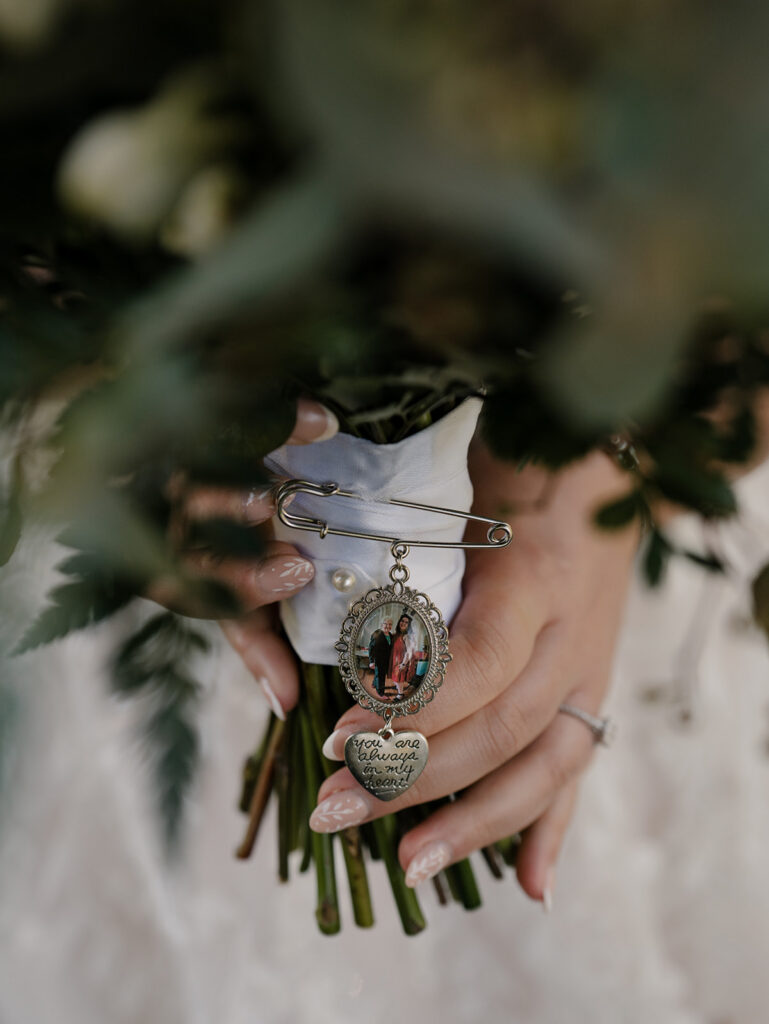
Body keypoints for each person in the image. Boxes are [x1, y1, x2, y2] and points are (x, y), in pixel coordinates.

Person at [389, 613, 414, 698]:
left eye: (406, 622)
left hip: (401, 660)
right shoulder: (396, 635)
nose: (403, 623)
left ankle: (400, 694)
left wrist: (404, 663)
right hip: (394, 660)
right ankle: (399, 688)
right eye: (402, 621)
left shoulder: (406, 636)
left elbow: (409, 651)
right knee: (395, 678)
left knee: (399, 678)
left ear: (408, 625)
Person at [367, 618, 393, 697]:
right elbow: (371, 648)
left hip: (386, 660)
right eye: (386, 624)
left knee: (379, 674)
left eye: (390, 624)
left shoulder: (390, 635)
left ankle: (374, 684)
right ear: (382, 624)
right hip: (378, 660)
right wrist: (371, 661)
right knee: (380, 677)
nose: (388, 626)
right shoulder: (377, 634)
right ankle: (381, 693)